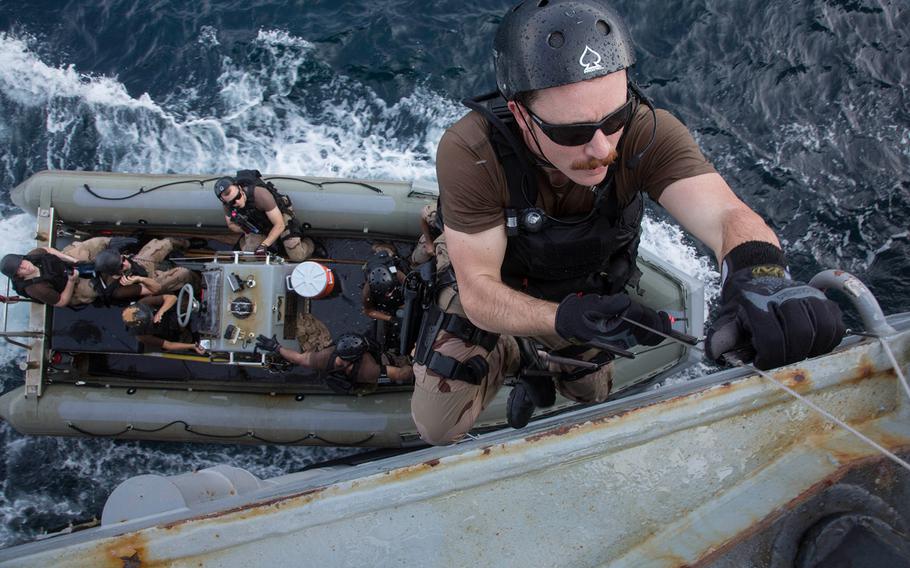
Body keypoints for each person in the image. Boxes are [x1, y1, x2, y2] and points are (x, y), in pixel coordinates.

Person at [411, 0, 845, 445]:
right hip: (501, 280)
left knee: (593, 393)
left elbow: (727, 214)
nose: (602, 148)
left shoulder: (645, 129)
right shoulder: (473, 151)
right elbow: (479, 291)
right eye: (572, 132)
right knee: (437, 423)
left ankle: (537, 357)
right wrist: (562, 319)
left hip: (583, 287)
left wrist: (762, 273)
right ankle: (517, 350)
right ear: (522, 115)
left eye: (614, 119)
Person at [255, 332, 413, 395]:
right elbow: (401, 374)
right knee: (396, 364)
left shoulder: (325, 356)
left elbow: (298, 358)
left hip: (344, 373)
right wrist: (414, 364)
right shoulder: (368, 370)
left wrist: (276, 347)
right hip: (366, 378)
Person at [215, 170, 314, 261]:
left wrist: (264, 245)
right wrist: (247, 229)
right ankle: (244, 243)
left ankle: (310, 243)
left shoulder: (260, 195)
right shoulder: (227, 205)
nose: (237, 202)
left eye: (238, 196)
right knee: (249, 258)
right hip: (256, 221)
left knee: (297, 255)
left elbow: (279, 225)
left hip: (278, 215)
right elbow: (231, 224)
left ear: (240, 188)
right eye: (232, 202)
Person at [0, 237, 112, 306]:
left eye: (21, 262)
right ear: (18, 275)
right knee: (95, 289)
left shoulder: (32, 256)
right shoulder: (37, 289)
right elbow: (61, 302)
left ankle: (123, 244)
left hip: (65, 265)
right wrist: (71, 281)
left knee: (96, 243)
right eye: (20, 269)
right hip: (68, 288)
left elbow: (48, 250)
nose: (25, 267)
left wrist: (74, 260)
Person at [93, 237, 196, 303]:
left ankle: (187, 244)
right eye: (121, 266)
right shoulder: (119, 290)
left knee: (165, 243)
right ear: (114, 273)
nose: (125, 263)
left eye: (123, 259)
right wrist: (140, 279)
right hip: (147, 283)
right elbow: (154, 289)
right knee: (183, 273)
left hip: (139, 266)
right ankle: (199, 286)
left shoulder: (112, 260)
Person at [122, 295, 206, 354]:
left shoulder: (143, 303)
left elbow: (172, 298)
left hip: (177, 311)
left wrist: (161, 312)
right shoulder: (142, 336)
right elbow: (168, 345)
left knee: (189, 302)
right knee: (197, 340)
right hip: (175, 330)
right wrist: (192, 346)